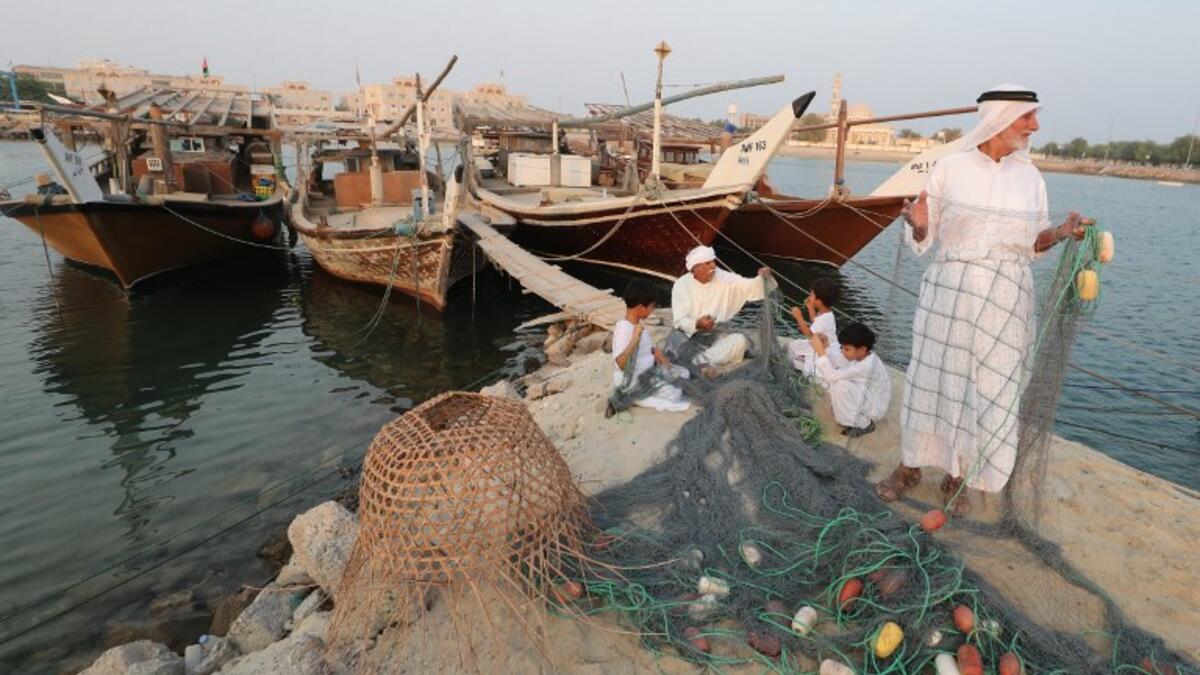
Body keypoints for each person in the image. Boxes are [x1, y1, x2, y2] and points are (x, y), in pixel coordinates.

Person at [874, 84, 1090, 517]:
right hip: (950, 293)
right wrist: (918, 224)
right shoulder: (950, 169)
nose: (1036, 126)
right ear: (1000, 119)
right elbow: (925, 236)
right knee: (931, 380)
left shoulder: (1030, 177)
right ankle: (911, 464)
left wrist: (1062, 233)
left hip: (1007, 301)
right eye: (1027, 117)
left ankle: (960, 475)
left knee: (989, 387)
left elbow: (1033, 244)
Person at [668, 245, 775, 373]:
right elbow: (679, 320)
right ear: (696, 268)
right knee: (675, 348)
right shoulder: (681, 285)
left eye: (713, 262)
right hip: (688, 334)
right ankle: (699, 361)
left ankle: (700, 361)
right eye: (708, 263)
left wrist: (762, 279)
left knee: (739, 341)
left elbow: (748, 287)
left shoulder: (724, 278)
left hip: (716, 333)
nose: (713, 266)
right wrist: (697, 324)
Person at [610, 280, 690, 413]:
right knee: (674, 394)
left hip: (649, 370)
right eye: (652, 306)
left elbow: (645, 348)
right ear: (641, 307)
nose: (653, 310)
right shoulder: (623, 330)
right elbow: (620, 364)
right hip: (634, 379)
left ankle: (645, 393)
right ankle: (634, 397)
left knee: (684, 373)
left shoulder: (637, 323)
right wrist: (635, 339)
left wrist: (656, 353)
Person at [812, 322, 890, 438]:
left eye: (846, 349)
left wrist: (820, 352)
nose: (843, 351)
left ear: (862, 349)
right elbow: (839, 362)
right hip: (867, 394)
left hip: (875, 407)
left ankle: (864, 424)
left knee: (839, 385)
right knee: (838, 380)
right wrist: (826, 346)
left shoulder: (866, 366)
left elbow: (831, 376)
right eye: (842, 347)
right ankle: (848, 413)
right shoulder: (863, 356)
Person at [787, 278, 842, 375]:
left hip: (823, 348)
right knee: (794, 346)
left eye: (812, 294)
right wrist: (810, 308)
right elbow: (815, 322)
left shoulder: (825, 318)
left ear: (819, 301)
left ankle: (804, 359)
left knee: (791, 349)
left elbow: (809, 335)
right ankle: (804, 356)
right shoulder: (826, 313)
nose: (809, 296)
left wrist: (798, 317)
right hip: (820, 343)